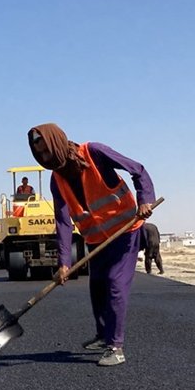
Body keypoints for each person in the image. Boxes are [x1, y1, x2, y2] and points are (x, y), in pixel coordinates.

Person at [28, 123, 155, 367]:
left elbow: (138, 170)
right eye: (40, 155)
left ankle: (115, 347)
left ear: (57, 143)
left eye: (47, 151)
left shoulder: (95, 152)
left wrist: (144, 199)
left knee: (115, 284)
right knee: (97, 287)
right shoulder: (57, 180)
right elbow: (63, 222)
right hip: (97, 239)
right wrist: (64, 263)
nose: (45, 158)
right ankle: (102, 335)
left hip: (126, 231)